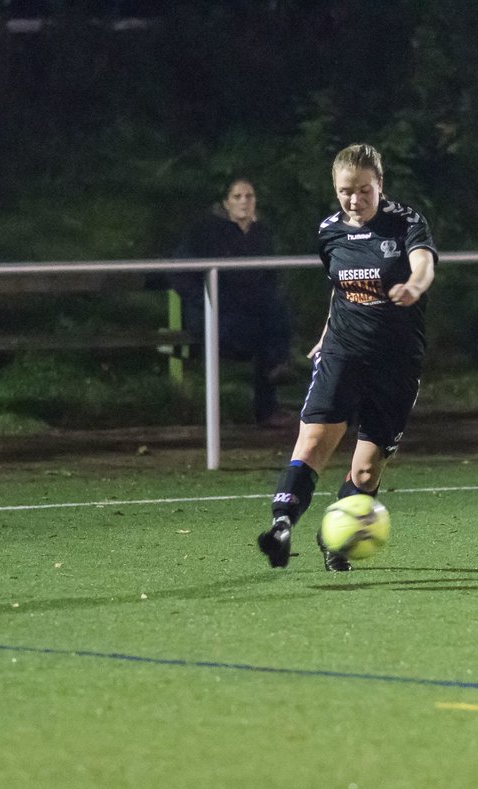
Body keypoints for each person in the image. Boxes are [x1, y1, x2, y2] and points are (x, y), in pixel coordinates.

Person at [257, 143, 437, 571]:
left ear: (380, 186)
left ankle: (333, 538)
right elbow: (338, 290)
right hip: (343, 351)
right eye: (345, 191)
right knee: (315, 439)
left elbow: (425, 263)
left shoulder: (406, 222)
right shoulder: (330, 231)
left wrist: (415, 285)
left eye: (363, 190)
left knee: (366, 471)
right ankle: (281, 524)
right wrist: (325, 335)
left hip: (396, 360)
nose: (354, 200)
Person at [174, 178, 293, 427]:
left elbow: (272, 275)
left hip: (252, 311)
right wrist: (203, 301)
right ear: (226, 202)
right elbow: (180, 273)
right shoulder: (205, 232)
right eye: (237, 197)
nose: (244, 202)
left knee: (275, 316)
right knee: (261, 335)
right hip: (214, 311)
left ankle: (271, 395)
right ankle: (273, 376)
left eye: (249, 196)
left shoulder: (262, 233)